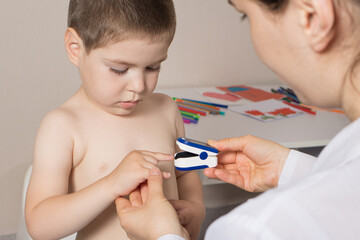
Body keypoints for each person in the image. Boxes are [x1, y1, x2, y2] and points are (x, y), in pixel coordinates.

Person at [115, 0, 360, 239]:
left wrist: (163, 235)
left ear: (312, 17)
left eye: (246, 15)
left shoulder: (256, 229)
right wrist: (289, 168)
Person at [24, 1, 205, 240]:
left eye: (153, 67)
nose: (139, 86)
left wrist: (196, 208)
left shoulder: (166, 109)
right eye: (120, 69)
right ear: (75, 48)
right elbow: (39, 225)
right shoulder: (63, 126)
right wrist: (112, 184)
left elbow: (185, 171)